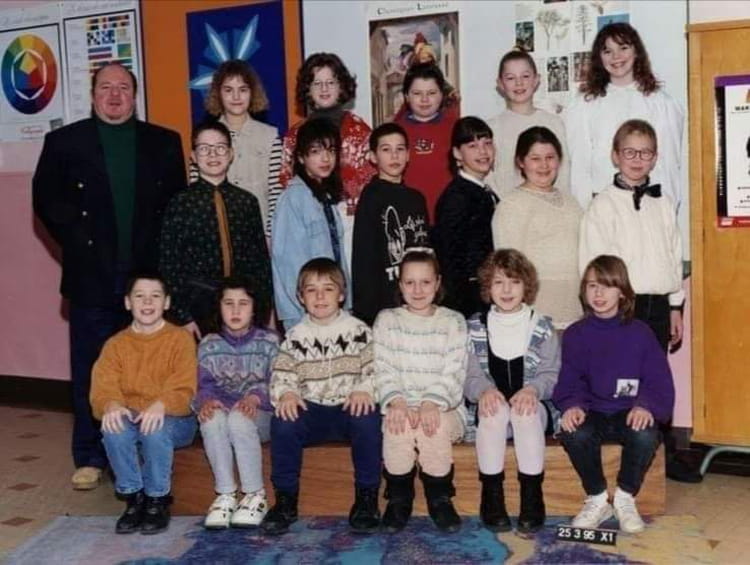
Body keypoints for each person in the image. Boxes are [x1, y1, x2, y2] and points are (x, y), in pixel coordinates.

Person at [32, 62, 186, 490]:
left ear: (134, 95)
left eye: (123, 88)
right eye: (105, 87)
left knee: (148, 369)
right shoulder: (64, 142)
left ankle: (140, 449)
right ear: (93, 94)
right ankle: (90, 456)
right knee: (92, 368)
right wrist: (79, 242)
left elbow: (175, 209)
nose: (114, 95)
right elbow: (46, 200)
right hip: (92, 276)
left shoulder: (164, 142)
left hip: (147, 281)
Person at [578, 119, 699, 483]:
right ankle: (622, 451)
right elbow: (592, 262)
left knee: (655, 375)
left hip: (658, 304)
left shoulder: (664, 203)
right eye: (629, 152)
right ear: (615, 156)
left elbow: (673, 256)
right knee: (621, 376)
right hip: (621, 305)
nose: (637, 159)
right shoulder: (602, 205)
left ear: (655, 158)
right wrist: (601, 306)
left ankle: (664, 453)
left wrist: (676, 306)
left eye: (645, 153)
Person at [553, 255, 675, 534]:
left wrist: (646, 405)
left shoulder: (641, 333)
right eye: (592, 286)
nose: (599, 294)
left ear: (622, 291)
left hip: (629, 412)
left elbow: (658, 380)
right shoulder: (575, 334)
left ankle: (624, 497)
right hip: (592, 411)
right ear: (584, 291)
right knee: (573, 431)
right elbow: (570, 379)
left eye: (607, 286)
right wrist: (572, 405)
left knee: (645, 434)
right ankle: (597, 499)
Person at [262, 258, 381, 535]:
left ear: (341, 294)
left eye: (328, 289)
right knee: (283, 421)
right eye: (311, 290)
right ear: (300, 297)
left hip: (348, 408)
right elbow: (281, 373)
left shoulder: (359, 331)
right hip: (312, 410)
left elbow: (377, 368)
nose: (319, 297)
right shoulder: (295, 337)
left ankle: (367, 497)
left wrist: (365, 389)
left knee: (367, 418)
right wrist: (287, 393)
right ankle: (285, 499)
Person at [90, 273, 197, 534]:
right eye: (140, 296)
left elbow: (186, 388)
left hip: (175, 417)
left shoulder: (180, 339)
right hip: (132, 414)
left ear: (167, 302)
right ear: (128, 303)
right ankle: (134, 497)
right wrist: (111, 404)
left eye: (155, 296)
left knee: (154, 429)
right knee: (113, 427)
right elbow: (103, 387)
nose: (147, 302)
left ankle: (157, 499)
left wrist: (162, 404)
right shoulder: (115, 345)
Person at [464, 249, 560, 534]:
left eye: (514, 282)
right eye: (498, 282)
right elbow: (468, 376)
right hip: (492, 414)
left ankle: (532, 498)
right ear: (487, 287)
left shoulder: (542, 326)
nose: (506, 290)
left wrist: (533, 389)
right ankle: (492, 498)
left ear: (526, 286)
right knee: (494, 412)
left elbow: (552, 375)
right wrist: (484, 391)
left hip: (534, 412)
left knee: (523, 412)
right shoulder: (474, 327)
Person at [374, 250, 467, 533]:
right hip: (400, 405)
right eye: (410, 282)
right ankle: (399, 498)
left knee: (432, 426)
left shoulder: (453, 321)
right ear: (400, 284)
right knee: (397, 425)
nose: (417, 290)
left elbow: (454, 372)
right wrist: (397, 401)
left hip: (445, 407)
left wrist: (430, 402)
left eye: (425, 282)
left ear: (437, 283)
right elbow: (382, 368)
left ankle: (440, 498)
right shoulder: (387, 320)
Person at [160, 121, 271, 340]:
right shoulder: (180, 203)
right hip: (198, 305)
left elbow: (260, 262)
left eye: (220, 148)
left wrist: (262, 309)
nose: (213, 154)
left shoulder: (246, 201)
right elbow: (170, 264)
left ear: (231, 154)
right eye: (204, 148)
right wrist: (183, 316)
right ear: (193, 156)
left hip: (243, 305)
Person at [564, 23, 684, 210]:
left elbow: (669, 164)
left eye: (623, 48)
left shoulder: (662, 103)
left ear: (636, 52)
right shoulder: (584, 105)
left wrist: (666, 211)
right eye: (607, 51)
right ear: (599, 57)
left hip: (649, 206)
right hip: (603, 206)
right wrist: (587, 211)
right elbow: (580, 166)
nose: (616, 57)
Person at [195, 277, 280, 529]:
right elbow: (203, 385)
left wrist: (255, 397)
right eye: (228, 303)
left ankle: (255, 494)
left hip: (261, 414)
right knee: (211, 419)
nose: (235, 310)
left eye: (243, 303)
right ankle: (226, 494)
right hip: (224, 411)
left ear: (254, 308)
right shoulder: (209, 344)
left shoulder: (270, 342)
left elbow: (279, 383)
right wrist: (207, 401)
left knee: (239, 418)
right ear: (219, 307)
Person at [280, 52, 374, 263]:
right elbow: (286, 179)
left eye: (330, 82)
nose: (324, 89)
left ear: (341, 86)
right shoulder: (295, 135)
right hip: (307, 221)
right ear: (307, 89)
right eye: (317, 83)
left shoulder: (360, 130)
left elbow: (371, 180)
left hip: (352, 221)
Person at [492, 126, 582, 329]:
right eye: (535, 158)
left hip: (574, 309)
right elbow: (508, 268)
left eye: (550, 157)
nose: (544, 165)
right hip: (534, 314)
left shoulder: (571, 202)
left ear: (559, 160)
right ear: (521, 162)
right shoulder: (511, 205)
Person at [272, 117, 349, 330]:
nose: (325, 158)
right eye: (315, 151)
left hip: (332, 309)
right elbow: (289, 266)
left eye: (331, 151)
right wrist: (303, 311)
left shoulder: (326, 197)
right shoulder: (293, 198)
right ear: (301, 157)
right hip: (305, 313)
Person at [352, 122, 429, 325]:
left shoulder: (417, 198)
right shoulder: (371, 197)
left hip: (419, 297)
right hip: (385, 302)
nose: (394, 156)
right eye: (386, 150)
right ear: (373, 156)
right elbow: (364, 257)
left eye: (400, 149)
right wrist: (367, 313)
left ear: (408, 155)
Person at [199, 59, 283, 237]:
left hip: (259, 233)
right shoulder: (204, 137)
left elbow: (276, 194)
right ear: (218, 94)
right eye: (228, 90)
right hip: (216, 233)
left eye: (243, 89)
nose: (236, 97)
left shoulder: (270, 136)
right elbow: (196, 190)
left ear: (253, 92)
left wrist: (270, 235)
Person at [432, 117, 499, 318]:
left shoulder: (483, 190)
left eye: (487, 143)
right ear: (457, 153)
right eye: (473, 146)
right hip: (470, 304)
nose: (483, 152)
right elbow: (451, 263)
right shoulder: (457, 197)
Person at [486, 49, 570, 197]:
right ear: (500, 84)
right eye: (510, 78)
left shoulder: (554, 123)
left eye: (525, 76)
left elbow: (564, 170)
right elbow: (486, 174)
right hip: (510, 205)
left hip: (550, 205)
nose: (519, 83)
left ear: (536, 80)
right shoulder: (492, 128)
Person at [394, 63, 459, 221]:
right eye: (417, 93)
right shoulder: (394, 131)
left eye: (431, 93)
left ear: (441, 94)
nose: (424, 99)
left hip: (448, 214)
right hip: (406, 216)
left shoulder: (456, 128)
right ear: (406, 96)